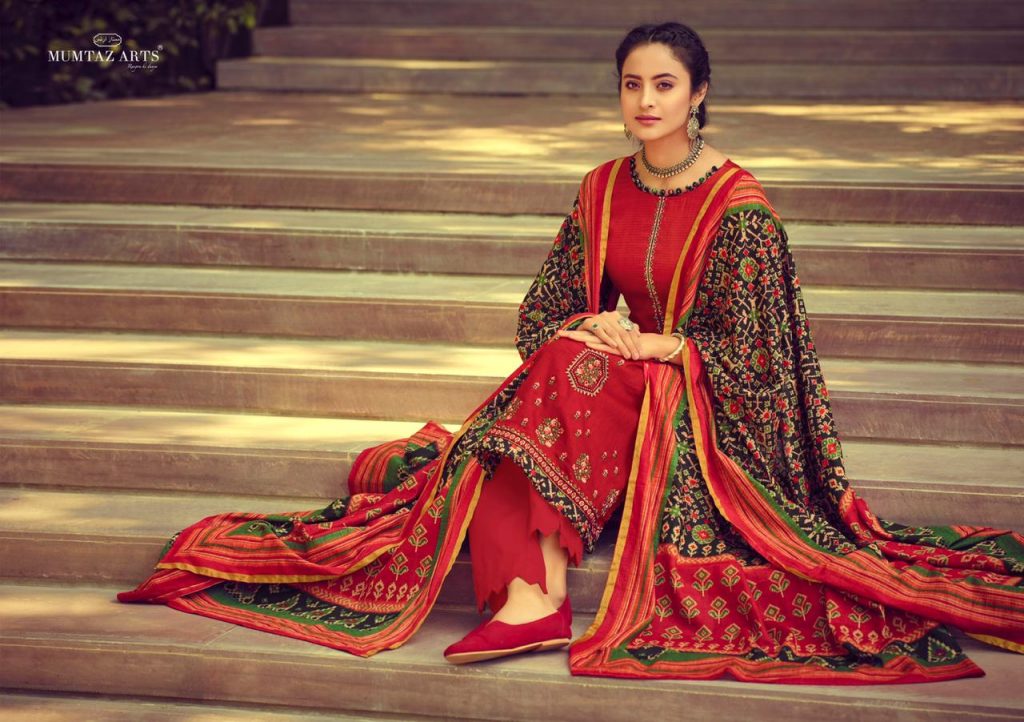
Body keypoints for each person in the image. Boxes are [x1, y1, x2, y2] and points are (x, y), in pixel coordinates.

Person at [119, 22, 1024, 683]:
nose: (645, 101)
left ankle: (533, 599)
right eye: (632, 85)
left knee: (559, 379)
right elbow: (543, 311)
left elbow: (758, 359)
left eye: (664, 85)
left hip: (700, 400)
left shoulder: (740, 208)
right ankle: (536, 594)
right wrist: (593, 325)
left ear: (698, 94)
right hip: (606, 378)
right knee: (557, 363)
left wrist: (656, 341)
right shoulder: (600, 188)